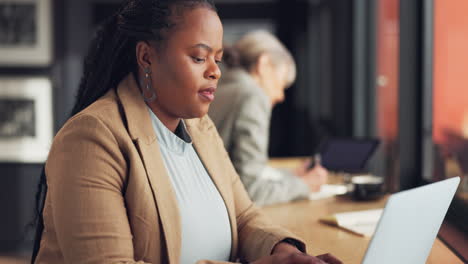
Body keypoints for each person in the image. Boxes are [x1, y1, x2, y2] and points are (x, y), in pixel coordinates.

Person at [30, 1, 342, 263]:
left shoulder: (199, 127)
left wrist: (285, 252)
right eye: (198, 57)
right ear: (146, 57)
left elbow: (243, 215)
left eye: (217, 59)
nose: (215, 71)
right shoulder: (92, 138)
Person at [208, 30, 328, 206]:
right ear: (263, 65)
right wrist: (305, 185)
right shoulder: (252, 95)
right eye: (282, 83)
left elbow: (238, 170)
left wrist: (291, 175)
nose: (281, 96)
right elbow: (252, 191)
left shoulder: (221, 86)